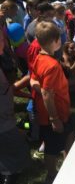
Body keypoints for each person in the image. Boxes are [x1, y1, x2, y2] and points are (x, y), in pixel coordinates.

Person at [30, 21, 74, 184]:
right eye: (61, 38)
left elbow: (33, 80)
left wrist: (39, 87)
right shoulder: (53, 65)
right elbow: (47, 93)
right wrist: (54, 119)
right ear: (55, 41)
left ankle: (68, 165)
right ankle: (51, 175)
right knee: (52, 148)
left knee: (69, 134)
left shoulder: (39, 57)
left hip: (47, 113)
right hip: (56, 114)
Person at [0, 30, 30, 184]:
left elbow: (7, 90)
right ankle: (9, 176)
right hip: (4, 124)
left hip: (6, 119)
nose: (4, 42)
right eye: (1, 39)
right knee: (16, 151)